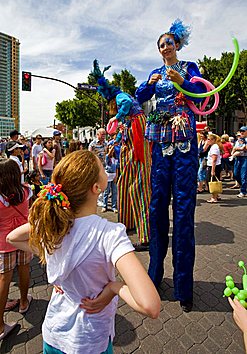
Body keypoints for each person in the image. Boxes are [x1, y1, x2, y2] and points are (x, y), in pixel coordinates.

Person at [7, 150, 160, 354]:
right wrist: (115, 287)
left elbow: (12, 238)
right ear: (97, 188)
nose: (107, 171)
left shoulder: (56, 230)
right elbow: (150, 305)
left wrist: (44, 221)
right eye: (103, 168)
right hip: (89, 341)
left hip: (53, 334)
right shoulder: (109, 233)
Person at [135, 19, 206, 312]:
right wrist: (145, 85)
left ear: (177, 44)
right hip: (160, 143)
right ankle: (154, 276)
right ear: (159, 50)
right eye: (161, 44)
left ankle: (183, 288)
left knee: (184, 211)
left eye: (169, 42)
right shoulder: (154, 73)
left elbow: (201, 93)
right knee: (157, 208)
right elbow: (139, 99)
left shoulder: (189, 67)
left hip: (185, 143)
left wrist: (183, 83)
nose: (165, 47)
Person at [90, 60, 151, 250]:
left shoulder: (121, 98)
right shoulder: (125, 118)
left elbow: (124, 104)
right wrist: (114, 141)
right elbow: (121, 132)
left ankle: (146, 235)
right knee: (123, 182)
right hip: (128, 142)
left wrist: (115, 117)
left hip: (138, 138)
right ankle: (127, 224)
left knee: (139, 185)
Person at [0, 159, 33, 341]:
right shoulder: (26, 191)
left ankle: (0, 325)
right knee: (25, 268)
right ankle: (23, 301)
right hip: (24, 237)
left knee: (4, 278)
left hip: (4, 241)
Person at [205, 134, 223, 203]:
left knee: (211, 181)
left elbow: (214, 159)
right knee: (213, 181)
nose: (207, 141)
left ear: (213, 140)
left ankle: (214, 197)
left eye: (209, 139)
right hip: (214, 166)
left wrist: (212, 170)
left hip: (213, 166)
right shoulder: (213, 146)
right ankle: (216, 196)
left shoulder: (214, 147)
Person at [102, 144, 118, 213]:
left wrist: (116, 176)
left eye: (113, 149)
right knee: (106, 192)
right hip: (108, 176)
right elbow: (108, 154)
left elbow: (117, 168)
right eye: (110, 148)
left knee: (114, 192)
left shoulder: (116, 158)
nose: (112, 150)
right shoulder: (107, 157)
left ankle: (114, 206)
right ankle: (104, 206)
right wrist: (113, 146)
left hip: (114, 175)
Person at [234, 126, 247, 198]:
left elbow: (245, 149)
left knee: (243, 175)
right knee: (236, 174)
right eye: (241, 131)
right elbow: (235, 148)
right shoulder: (238, 140)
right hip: (238, 158)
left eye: (243, 131)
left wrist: (239, 148)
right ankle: (244, 186)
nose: (241, 132)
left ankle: (243, 191)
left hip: (245, 158)